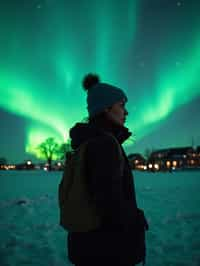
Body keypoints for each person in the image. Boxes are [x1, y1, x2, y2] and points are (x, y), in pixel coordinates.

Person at [66, 73, 148, 266]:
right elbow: (109, 202)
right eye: (121, 105)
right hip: (107, 251)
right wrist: (135, 221)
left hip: (88, 245)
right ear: (106, 109)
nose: (126, 112)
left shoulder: (89, 141)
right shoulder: (104, 144)